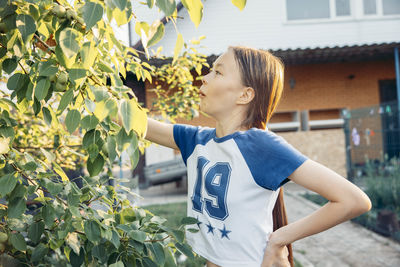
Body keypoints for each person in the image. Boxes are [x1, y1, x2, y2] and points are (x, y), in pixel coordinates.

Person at [144, 46, 372, 267]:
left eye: (218, 72)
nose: (204, 77)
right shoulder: (197, 140)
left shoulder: (261, 145)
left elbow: (353, 200)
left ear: (245, 94)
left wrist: (279, 239)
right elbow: (132, 121)